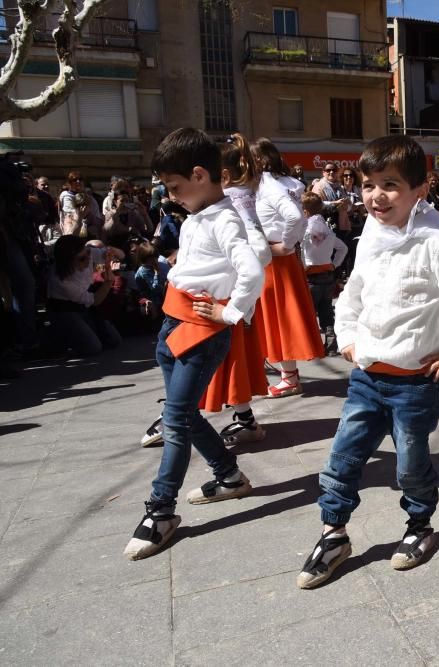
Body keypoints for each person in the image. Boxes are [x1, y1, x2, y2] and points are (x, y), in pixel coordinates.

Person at [296, 135, 439, 589]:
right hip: (367, 378)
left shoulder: (435, 244)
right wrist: (346, 336)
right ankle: (333, 534)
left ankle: (419, 526)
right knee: (342, 459)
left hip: (415, 385)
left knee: (410, 464)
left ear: (419, 190)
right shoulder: (372, 237)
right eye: (368, 185)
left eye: (389, 185)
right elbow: (352, 294)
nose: (375, 196)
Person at [123, 128, 264, 561]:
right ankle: (228, 476)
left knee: (176, 419)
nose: (172, 195)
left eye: (174, 186)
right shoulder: (201, 216)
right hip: (174, 326)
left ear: (200, 175)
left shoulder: (223, 218)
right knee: (181, 414)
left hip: (201, 334)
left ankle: (160, 509)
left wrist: (231, 313)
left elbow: (253, 269)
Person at [251, 138, 326, 398]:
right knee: (274, 316)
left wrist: (285, 244)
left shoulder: (269, 186)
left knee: (278, 317)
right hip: (274, 256)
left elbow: (296, 217)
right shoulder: (288, 184)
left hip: (273, 257)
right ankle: (283, 375)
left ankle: (289, 377)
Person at [46, 236, 123, 356]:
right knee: (92, 348)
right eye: (82, 258)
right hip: (64, 311)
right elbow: (95, 300)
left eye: (87, 252)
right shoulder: (60, 280)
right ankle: (57, 337)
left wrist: (112, 252)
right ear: (69, 261)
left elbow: (121, 255)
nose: (88, 258)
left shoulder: (88, 255)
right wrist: (108, 282)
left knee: (114, 341)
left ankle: (84, 332)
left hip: (84, 307)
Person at [301, 191, 349, 353]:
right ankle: (331, 343)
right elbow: (343, 248)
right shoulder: (328, 231)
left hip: (310, 277)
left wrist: (302, 266)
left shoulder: (303, 230)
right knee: (326, 311)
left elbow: (300, 250)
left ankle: (310, 346)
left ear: (305, 212)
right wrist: (334, 265)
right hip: (327, 275)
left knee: (307, 314)